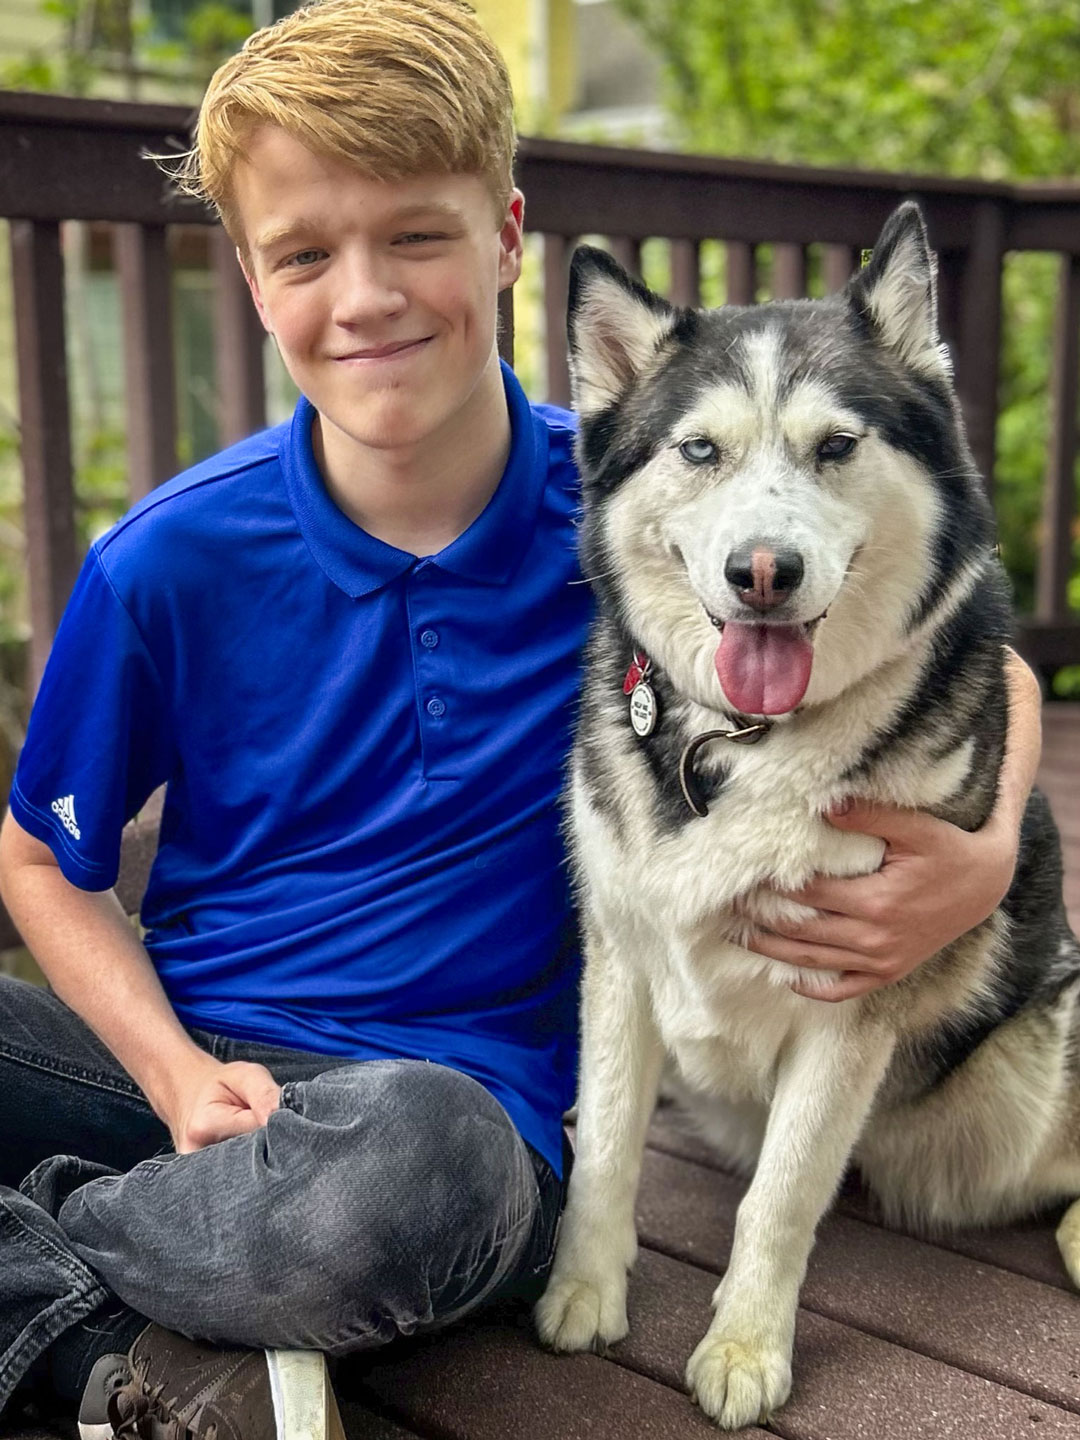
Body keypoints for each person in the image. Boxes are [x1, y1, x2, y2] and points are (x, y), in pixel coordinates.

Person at [0, 2, 1043, 1437]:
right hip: (197, 1065)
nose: (362, 295)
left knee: (414, 1191)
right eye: (305, 254)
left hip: (448, 1116)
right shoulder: (169, 560)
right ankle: (163, 1310)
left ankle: (69, 1281)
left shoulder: (645, 508)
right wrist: (177, 1081)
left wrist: (980, 869)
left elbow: (969, 657)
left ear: (505, 237)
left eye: (415, 235)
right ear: (250, 280)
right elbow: (39, 859)